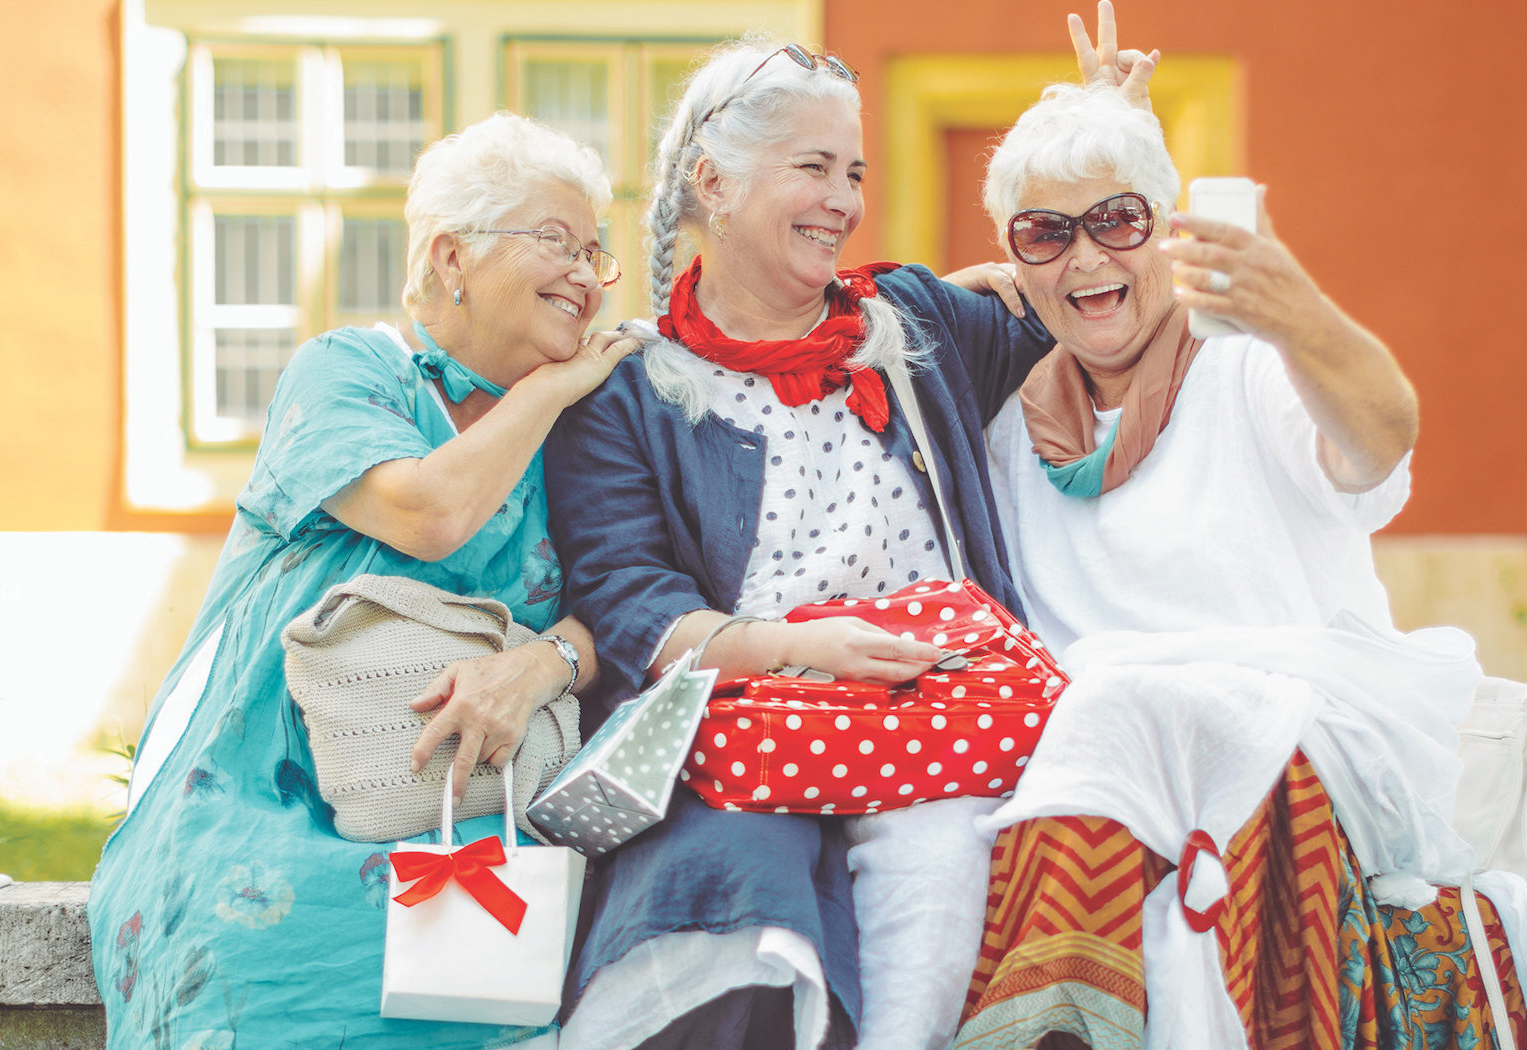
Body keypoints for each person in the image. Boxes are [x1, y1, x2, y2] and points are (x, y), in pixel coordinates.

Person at [947, 83, 1527, 1050]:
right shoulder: (1013, 425)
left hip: (1297, 734)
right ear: (1012, 257)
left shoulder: (1251, 367)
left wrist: (1297, 315)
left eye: (1119, 221)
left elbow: (1378, 441)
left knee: (1124, 710)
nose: (1086, 256)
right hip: (1107, 780)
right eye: (1044, 234)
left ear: (1170, 230)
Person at [538, 20, 1160, 1047]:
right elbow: (629, 603)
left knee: (940, 857)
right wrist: (794, 650)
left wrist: (1106, 139)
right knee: (738, 895)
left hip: (946, 707)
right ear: (714, 183)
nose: (843, 200)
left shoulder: (912, 324)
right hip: (760, 719)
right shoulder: (629, 392)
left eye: (855, 171)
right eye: (813, 167)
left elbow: (1076, 293)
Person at [88, 113, 641, 1048]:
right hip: (261, 793)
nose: (587, 276)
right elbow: (429, 514)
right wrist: (550, 390)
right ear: (452, 256)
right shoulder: (349, 371)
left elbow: (626, 601)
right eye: (555, 241)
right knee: (267, 952)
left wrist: (539, 665)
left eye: (595, 251)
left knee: (516, 962)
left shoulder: (593, 424)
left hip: (470, 800)